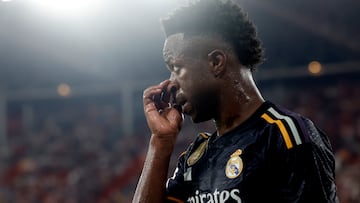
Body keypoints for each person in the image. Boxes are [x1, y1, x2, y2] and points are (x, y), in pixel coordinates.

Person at [133, 0, 339, 202]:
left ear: (216, 62)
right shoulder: (196, 157)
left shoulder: (285, 135)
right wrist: (160, 142)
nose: (170, 83)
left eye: (176, 67)